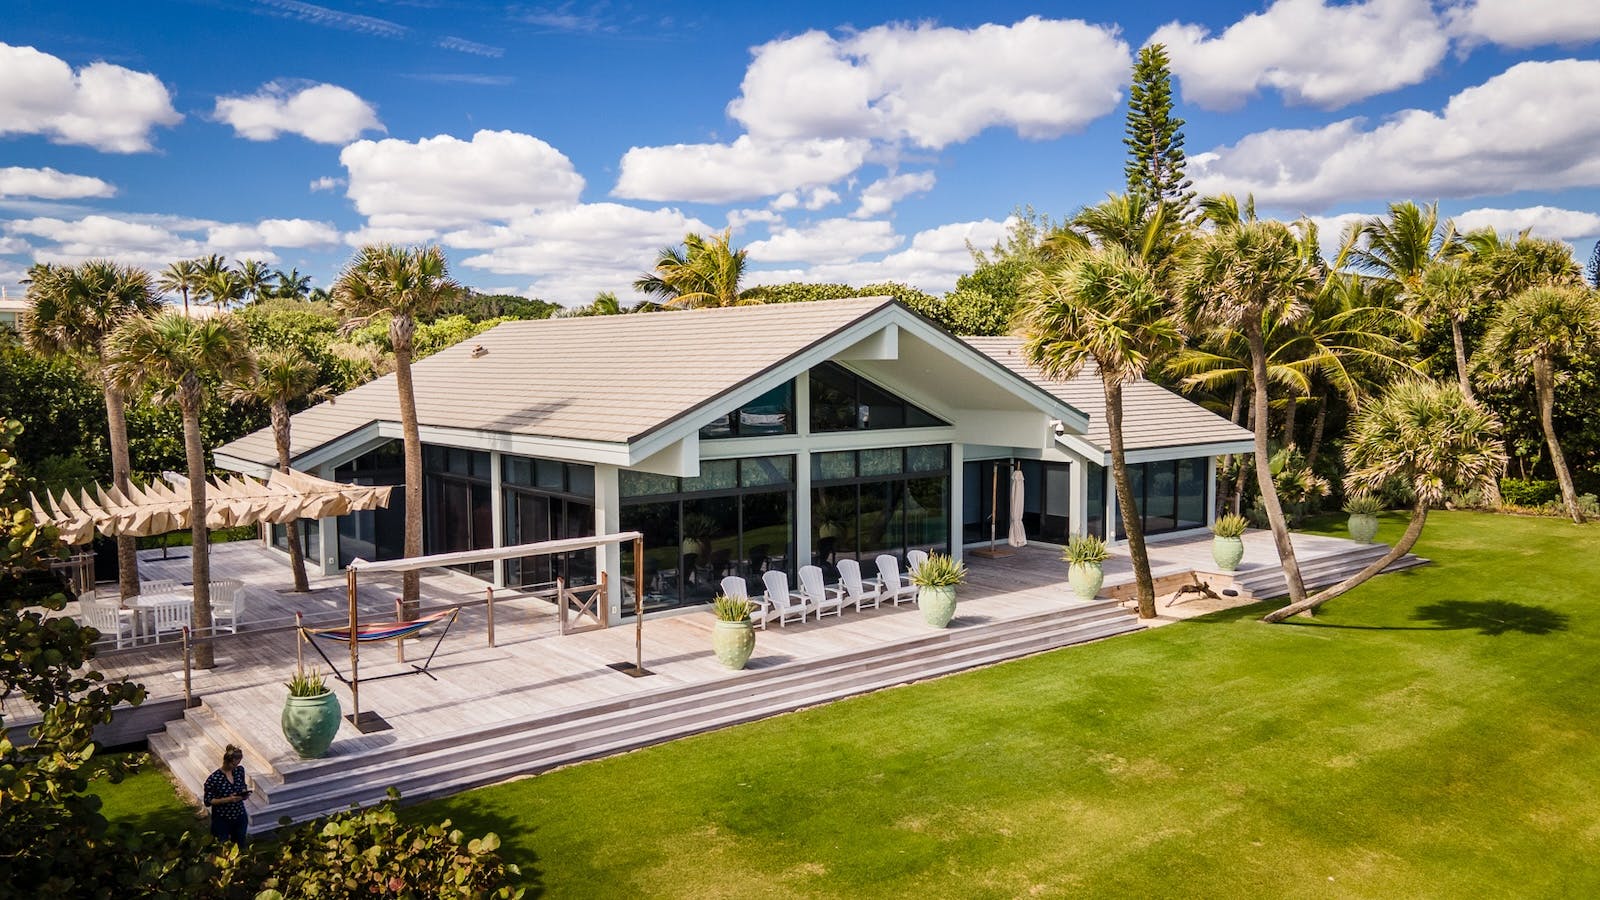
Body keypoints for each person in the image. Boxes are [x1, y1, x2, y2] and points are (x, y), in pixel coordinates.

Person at [203, 744, 250, 844]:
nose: (235, 767)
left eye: (237, 764)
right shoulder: (214, 779)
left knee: (240, 844)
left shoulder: (239, 771)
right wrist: (228, 799)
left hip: (239, 815)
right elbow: (208, 800)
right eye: (234, 765)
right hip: (222, 818)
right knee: (222, 846)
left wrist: (243, 794)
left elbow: (242, 785)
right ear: (227, 761)